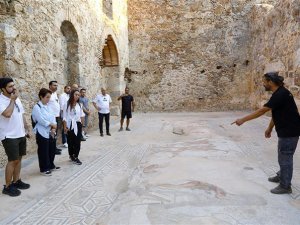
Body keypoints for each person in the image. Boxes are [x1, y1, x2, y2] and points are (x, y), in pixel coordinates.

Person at [232, 72, 300, 194]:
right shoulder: (279, 93)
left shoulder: (281, 94)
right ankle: (282, 175)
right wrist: (269, 128)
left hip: (290, 131)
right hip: (287, 130)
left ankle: (285, 185)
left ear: (271, 82)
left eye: (265, 81)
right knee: (282, 156)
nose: (263, 84)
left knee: (285, 157)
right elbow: (276, 112)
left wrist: (242, 120)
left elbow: (262, 111)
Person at [0, 77, 31, 197]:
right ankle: (7, 187)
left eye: (13, 85)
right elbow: (7, 114)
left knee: (19, 159)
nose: (13, 88)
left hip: (20, 133)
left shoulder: (16, 98)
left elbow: (21, 114)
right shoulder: (2, 100)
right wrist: (12, 100)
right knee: (12, 161)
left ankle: (16, 181)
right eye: (10, 86)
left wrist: (26, 128)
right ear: (3, 89)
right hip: (9, 135)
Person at [32, 88, 60, 176]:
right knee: (43, 151)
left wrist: (54, 127)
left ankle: (51, 165)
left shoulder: (48, 106)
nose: (48, 99)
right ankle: (44, 169)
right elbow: (41, 120)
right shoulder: (37, 107)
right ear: (41, 96)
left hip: (50, 131)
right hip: (41, 132)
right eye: (47, 97)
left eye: (49, 97)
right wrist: (52, 124)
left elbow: (53, 117)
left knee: (52, 149)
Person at [63, 89, 85, 165]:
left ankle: (76, 156)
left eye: (78, 95)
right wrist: (65, 127)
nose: (77, 96)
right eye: (76, 94)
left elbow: (82, 115)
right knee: (70, 141)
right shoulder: (67, 104)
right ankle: (71, 155)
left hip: (78, 124)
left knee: (77, 141)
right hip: (69, 125)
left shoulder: (80, 105)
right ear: (72, 95)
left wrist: (82, 125)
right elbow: (64, 117)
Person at [48, 81, 62, 155]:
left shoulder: (55, 94)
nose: (56, 87)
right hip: (51, 117)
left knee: (55, 133)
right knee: (52, 133)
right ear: (50, 86)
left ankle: (54, 147)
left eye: (56, 85)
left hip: (56, 116)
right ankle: (52, 149)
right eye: (54, 85)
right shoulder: (48, 94)